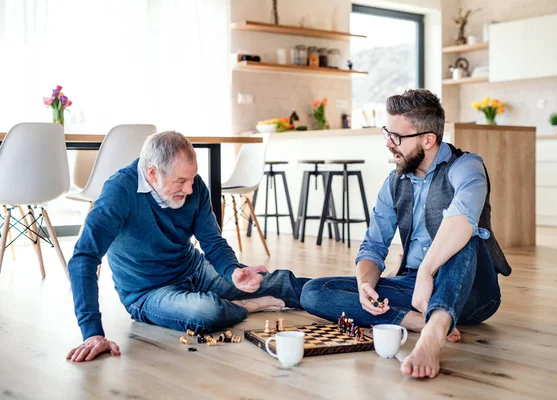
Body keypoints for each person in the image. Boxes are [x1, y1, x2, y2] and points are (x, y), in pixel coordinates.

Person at [300, 89, 511, 379]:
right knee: (313, 291)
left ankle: (434, 333)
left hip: (472, 291)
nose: (389, 143)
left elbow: (463, 219)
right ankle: (415, 321)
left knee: (465, 234)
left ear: (428, 139)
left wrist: (426, 271)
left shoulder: (467, 167)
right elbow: (373, 246)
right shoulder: (395, 182)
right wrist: (365, 285)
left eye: (397, 137)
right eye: (388, 133)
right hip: (414, 290)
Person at [66, 131, 309, 362]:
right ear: (152, 174)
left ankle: (328, 291)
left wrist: (233, 271)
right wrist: (92, 333)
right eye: (181, 181)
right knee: (206, 312)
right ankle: (245, 307)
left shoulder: (195, 187)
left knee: (268, 281)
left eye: (192, 179)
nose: (190, 189)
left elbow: (213, 242)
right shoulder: (119, 191)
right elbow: (84, 258)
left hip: (194, 269)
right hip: (147, 292)